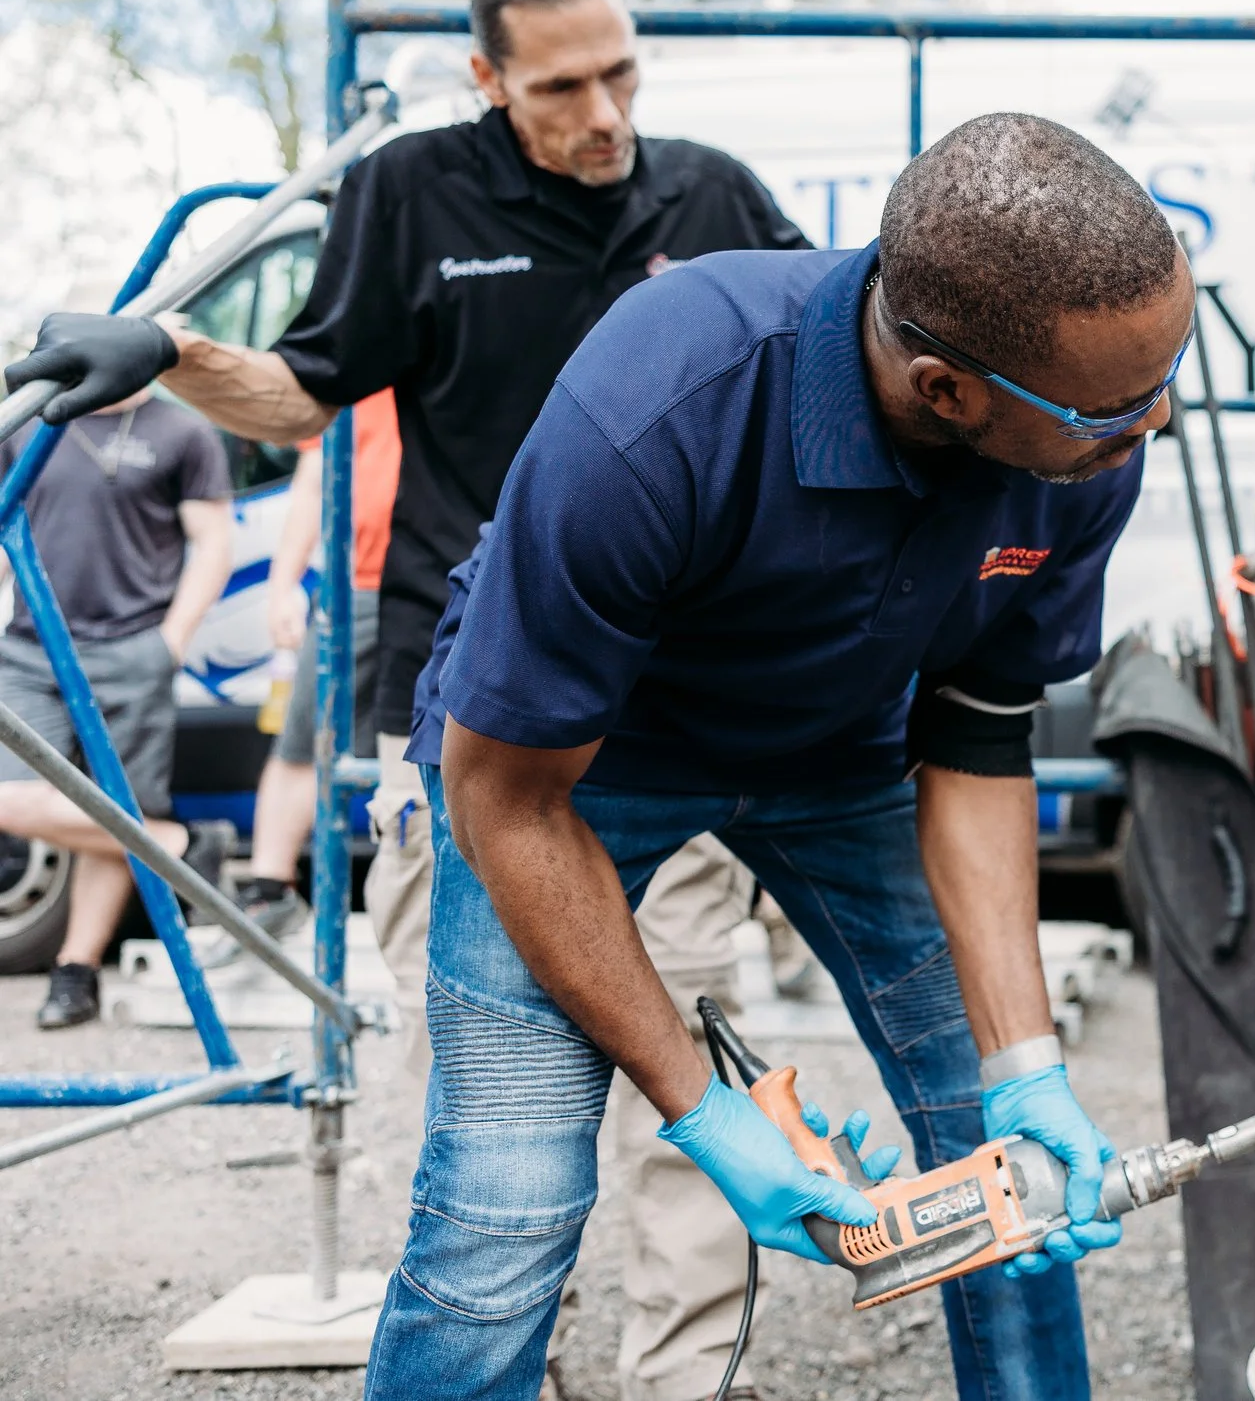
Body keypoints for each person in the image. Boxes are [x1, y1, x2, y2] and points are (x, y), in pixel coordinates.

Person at [2, 0, 809, 1401]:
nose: (605, 112)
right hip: (479, 713)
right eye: (562, 84)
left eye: (621, 68)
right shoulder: (411, 191)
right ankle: (513, 1368)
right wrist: (173, 345)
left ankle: (686, 1380)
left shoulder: (715, 195)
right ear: (487, 77)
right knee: (487, 1099)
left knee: (688, 1063)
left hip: (681, 706)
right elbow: (305, 393)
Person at [365, 112, 1187, 1400]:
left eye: (1163, 377)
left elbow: (974, 734)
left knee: (1005, 1155)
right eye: (1120, 408)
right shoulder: (657, 403)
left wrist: (1025, 1062)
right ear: (945, 390)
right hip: (565, 768)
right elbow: (504, 802)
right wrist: (710, 1114)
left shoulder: (1082, 444)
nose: (1159, 421)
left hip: (838, 748)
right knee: (507, 1199)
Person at [0, 386, 233, 1028]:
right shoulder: (32, 421)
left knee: (116, 798)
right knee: (12, 796)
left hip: (134, 649)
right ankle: (179, 844)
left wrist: (172, 642)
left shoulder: (183, 430)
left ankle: (76, 973)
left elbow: (213, 543)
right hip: (29, 647)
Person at [203, 392, 398, 961]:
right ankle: (270, 889)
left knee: (445, 743)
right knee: (304, 737)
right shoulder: (362, 373)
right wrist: (284, 583)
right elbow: (312, 482)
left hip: (454, 577)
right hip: (356, 582)